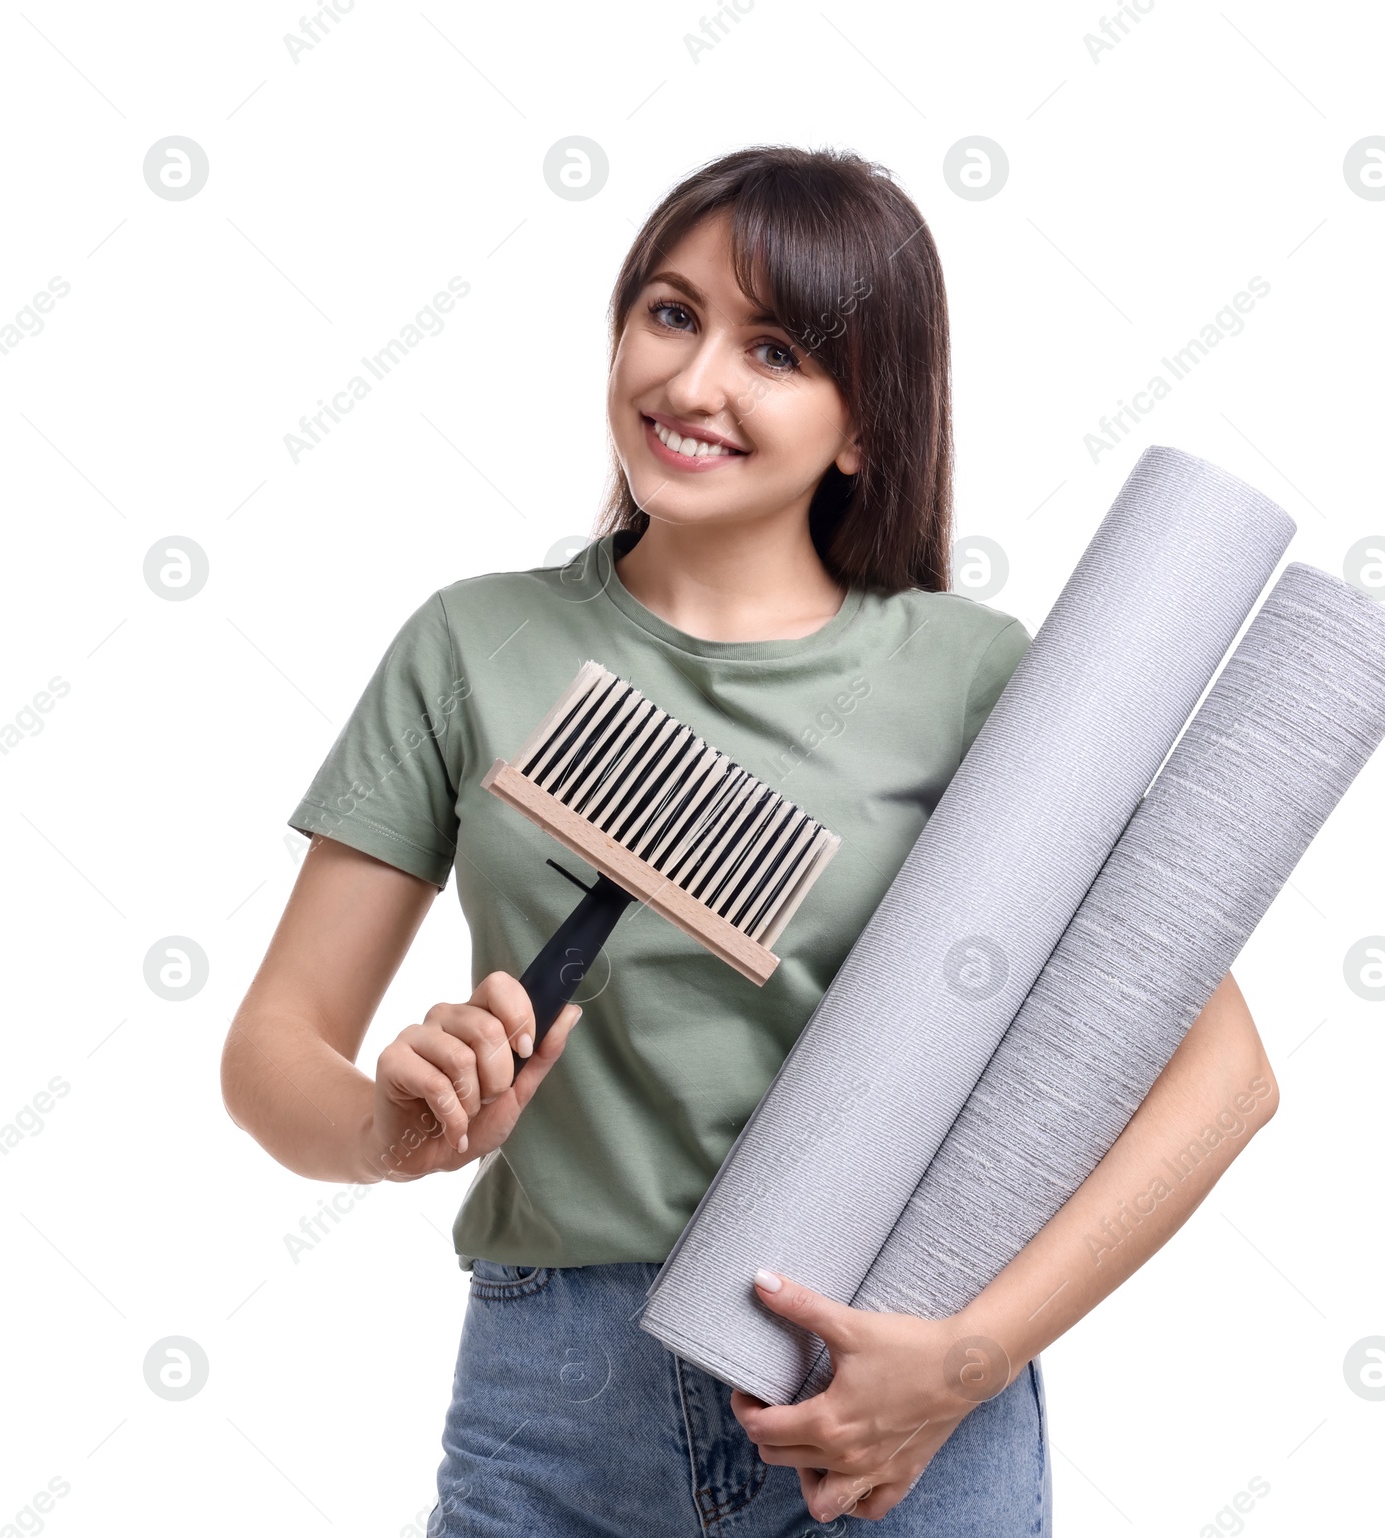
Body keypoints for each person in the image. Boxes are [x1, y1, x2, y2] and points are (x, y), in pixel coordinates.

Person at [220, 145, 1278, 1536]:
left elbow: (1223, 1078)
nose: (695, 382)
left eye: (773, 348)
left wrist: (966, 1358)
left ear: (862, 425)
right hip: (556, 1396)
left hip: (885, 1388)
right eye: (671, 313)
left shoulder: (968, 673)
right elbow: (270, 1048)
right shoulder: (472, 644)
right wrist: (384, 1125)